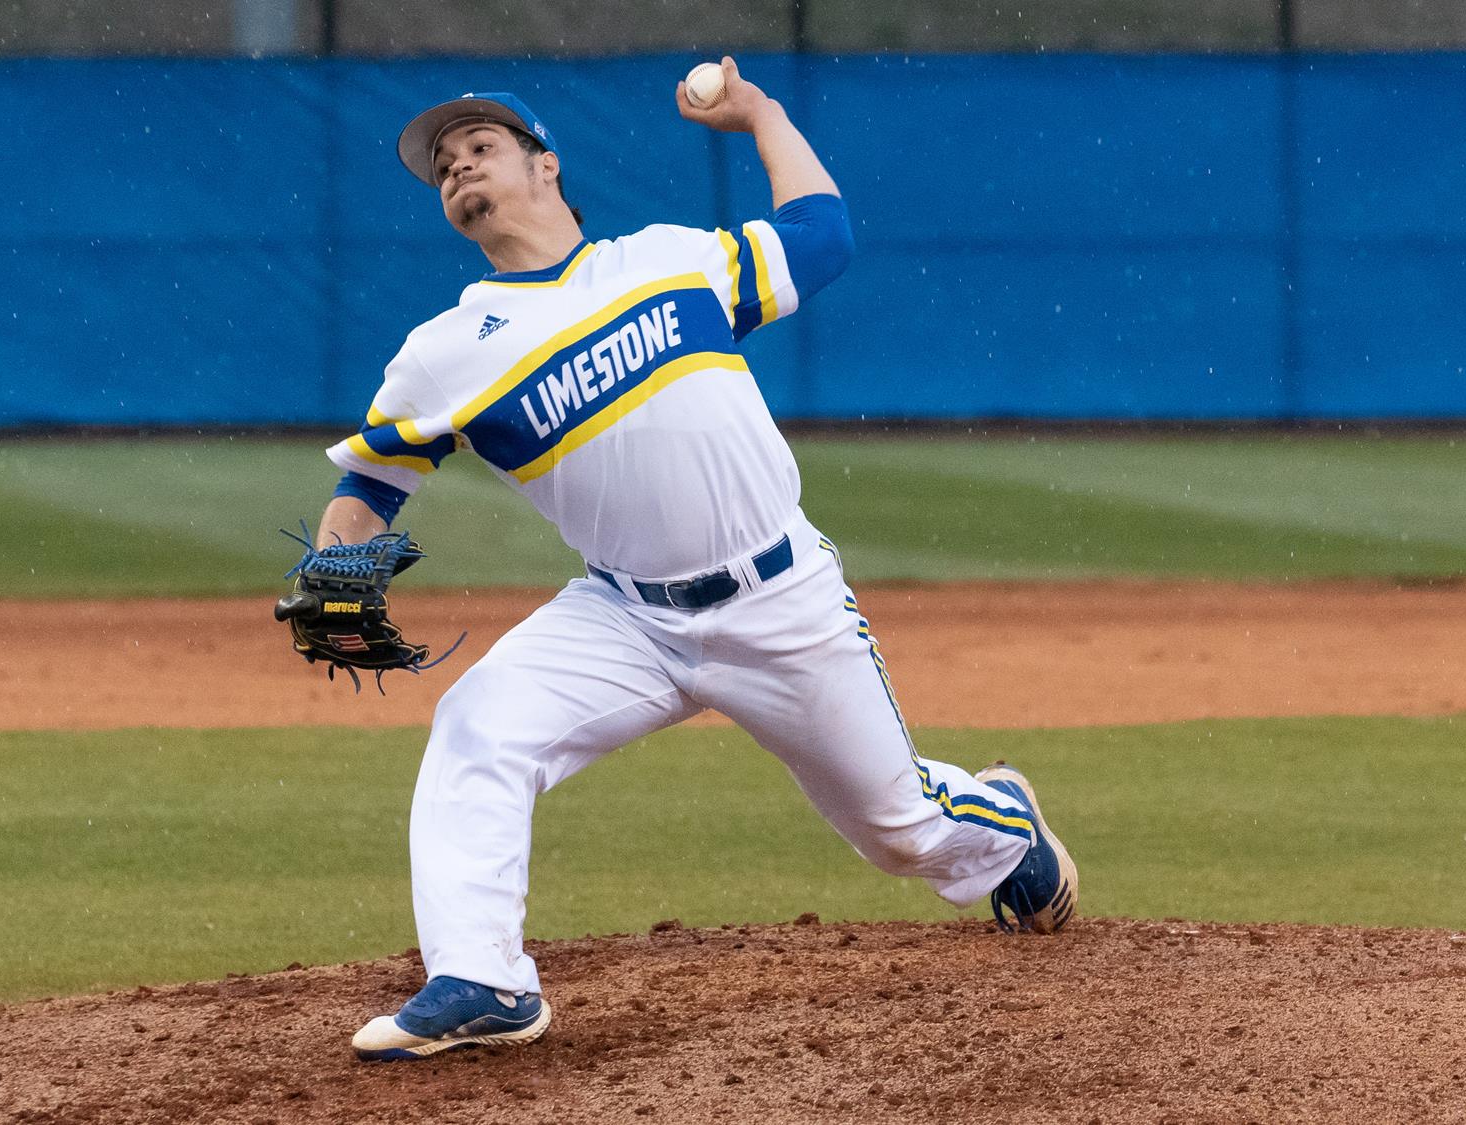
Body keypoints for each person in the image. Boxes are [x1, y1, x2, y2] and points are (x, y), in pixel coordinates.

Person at [313, 58, 1078, 1063]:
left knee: (897, 831)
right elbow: (370, 486)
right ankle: (483, 979)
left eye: (480, 148)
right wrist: (334, 579)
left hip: (779, 600)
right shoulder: (444, 352)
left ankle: (1003, 830)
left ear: (543, 166)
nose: (457, 169)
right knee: (477, 727)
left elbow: (822, 236)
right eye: (443, 167)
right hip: (621, 617)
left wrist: (759, 113)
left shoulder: (668, 261)